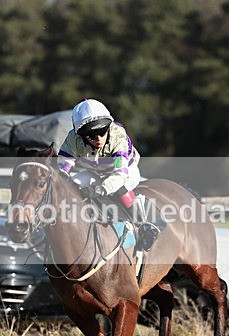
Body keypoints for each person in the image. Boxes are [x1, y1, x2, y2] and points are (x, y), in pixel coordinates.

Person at [57, 98, 161, 252]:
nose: (98, 138)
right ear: (81, 134)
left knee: (119, 188)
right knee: (68, 187)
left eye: (102, 131)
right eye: (92, 135)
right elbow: (62, 171)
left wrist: (100, 190)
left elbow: (120, 174)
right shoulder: (73, 139)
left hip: (126, 171)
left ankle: (144, 227)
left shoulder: (118, 134)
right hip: (95, 173)